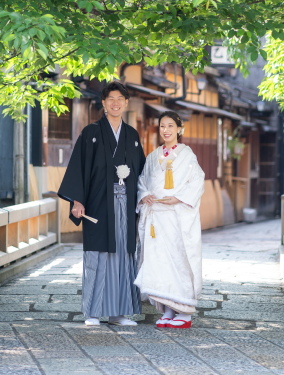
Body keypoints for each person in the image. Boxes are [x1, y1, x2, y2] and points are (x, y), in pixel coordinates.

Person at [57, 82, 146, 326]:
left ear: (126, 103)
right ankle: (93, 313)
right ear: (104, 103)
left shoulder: (132, 136)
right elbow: (79, 168)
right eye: (111, 99)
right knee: (97, 255)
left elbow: (142, 172)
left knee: (123, 255)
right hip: (98, 203)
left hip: (126, 206)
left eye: (120, 99)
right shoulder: (91, 133)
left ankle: (119, 312)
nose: (116, 103)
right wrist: (77, 200)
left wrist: (146, 198)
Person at [135, 110, 205, 329]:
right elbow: (142, 181)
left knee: (179, 260)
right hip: (157, 218)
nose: (166, 130)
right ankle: (166, 310)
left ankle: (183, 311)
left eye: (170, 126)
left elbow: (197, 181)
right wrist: (143, 194)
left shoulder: (187, 155)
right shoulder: (153, 156)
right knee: (160, 263)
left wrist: (178, 198)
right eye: (162, 126)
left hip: (178, 218)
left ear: (179, 129)